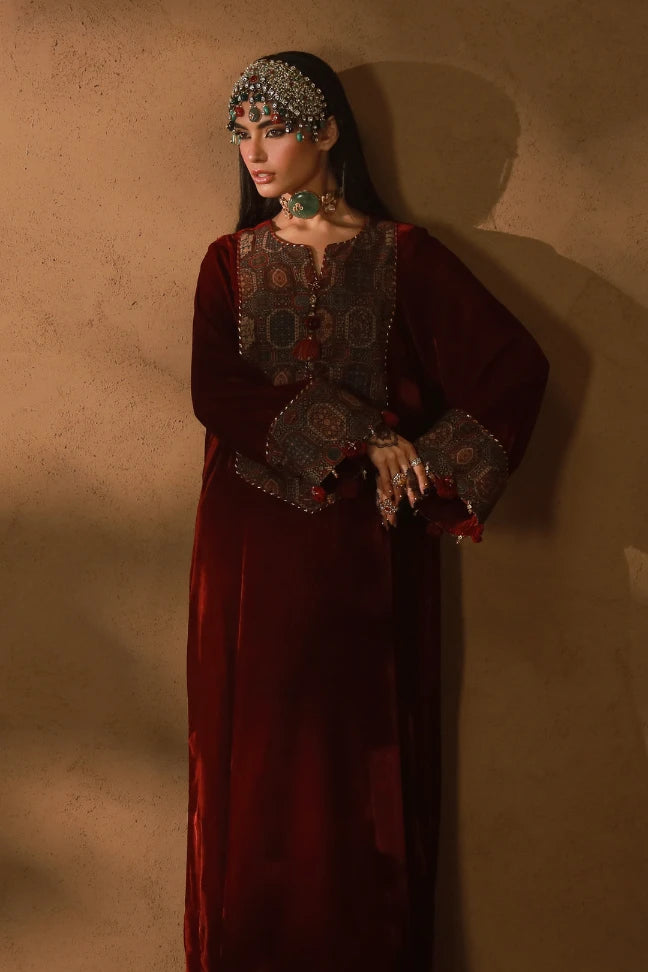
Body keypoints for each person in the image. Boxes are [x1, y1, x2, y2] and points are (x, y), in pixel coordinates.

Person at [184, 51, 549, 972]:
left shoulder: (404, 256)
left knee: (365, 774)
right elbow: (218, 393)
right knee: (255, 767)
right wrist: (360, 433)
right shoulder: (230, 264)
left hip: (369, 553)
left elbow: (514, 369)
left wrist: (425, 468)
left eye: (274, 129)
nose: (254, 153)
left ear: (328, 131)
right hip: (251, 555)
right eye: (242, 134)